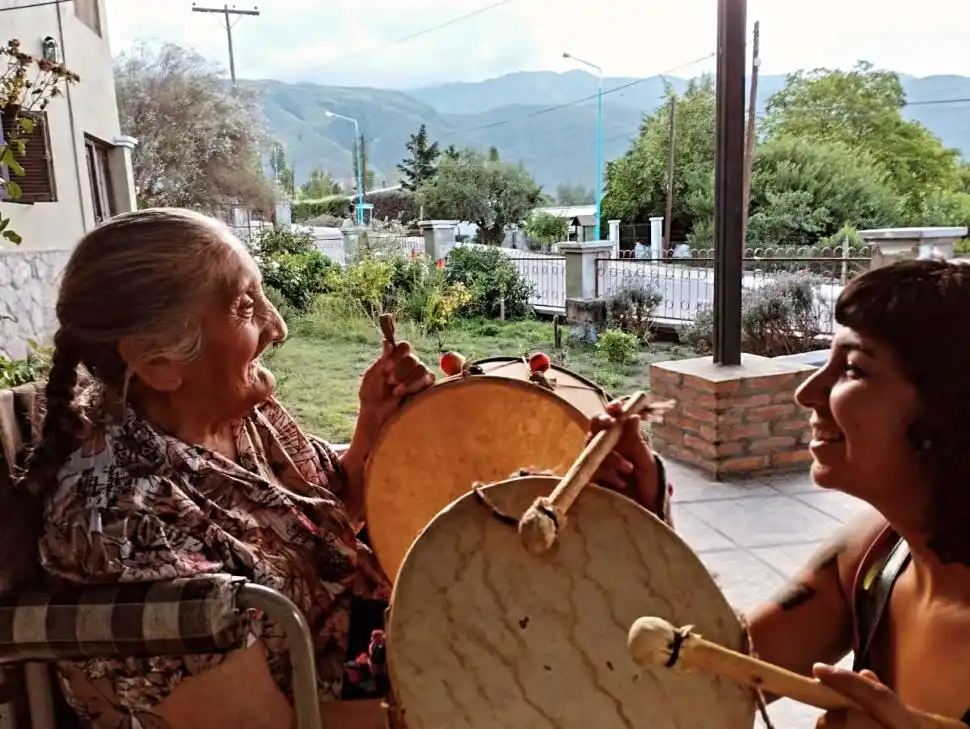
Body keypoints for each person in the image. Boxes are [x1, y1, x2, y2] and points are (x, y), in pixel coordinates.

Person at [26, 208, 672, 729]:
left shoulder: (239, 413)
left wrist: (373, 427)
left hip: (374, 644)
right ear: (158, 360)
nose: (277, 325)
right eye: (246, 308)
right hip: (343, 699)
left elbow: (335, 514)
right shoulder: (126, 520)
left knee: (604, 603)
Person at [595, 258, 970, 729]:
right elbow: (723, 670)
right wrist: (648, 523)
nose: (808, 392)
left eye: (853, 369)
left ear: (951, 410)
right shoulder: (877, 554)